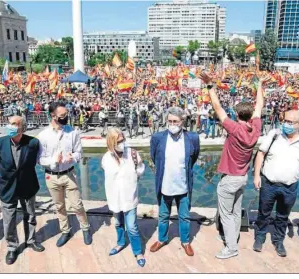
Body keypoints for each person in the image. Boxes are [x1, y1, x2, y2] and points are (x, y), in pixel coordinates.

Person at [203, 73, 265, 259]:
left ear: (237, 114)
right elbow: (260, 106)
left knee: (226, 214)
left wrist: (209, 86)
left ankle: (231, 248)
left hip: (230, 179)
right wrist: (260, 85)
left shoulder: (234, 128)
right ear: (250, 115)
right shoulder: (255, 128)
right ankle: (233, 238)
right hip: (242, 177)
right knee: (236, 211)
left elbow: (217, 107)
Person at [253, 110, 299, 257]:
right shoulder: (274, 134)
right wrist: (256, 176)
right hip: (269, 183)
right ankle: (260, 236)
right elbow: (260, 154)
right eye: (284, 120)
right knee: (263, 212)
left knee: (283, 216)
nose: (285, 124)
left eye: (290, 122)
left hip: (290, 186)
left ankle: (278, 240)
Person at [0, 116, 45, 265]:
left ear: (22, 127)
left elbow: (33, 162)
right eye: (10, 123)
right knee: (9, 219)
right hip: (7, 186)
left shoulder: (33, 143)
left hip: (27, 185)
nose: (11, 126)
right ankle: (12, 247)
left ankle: (31, 240)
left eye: (15, 124)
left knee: (30, 215)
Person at [37, 102, 92, 247]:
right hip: (52, 175)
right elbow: (40, 159)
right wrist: (54, 160)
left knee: (77, 204)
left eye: (66, 115)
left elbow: (79, 153)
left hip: (69, 174)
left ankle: (85, 228)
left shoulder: (73, 132)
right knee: (59, 206)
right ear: (53, 116)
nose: (66, 117)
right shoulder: (43, 136)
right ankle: (65, 230)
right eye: (62, 116)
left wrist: (72, 157)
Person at [149, 107, 200, 257]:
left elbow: (194, 157)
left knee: (184, 216)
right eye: (170, 121)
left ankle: (185, 241)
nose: (172, 124)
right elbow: (154, 157)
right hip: (165, 185)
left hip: (183, 185)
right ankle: (162, 239)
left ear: (182, 122)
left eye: (175, 121)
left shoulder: (192, 138)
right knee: (163, 215)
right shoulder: (158, 138)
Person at [101, 128, 146, 267]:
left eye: (123, 140)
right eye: (119, 141)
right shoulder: (106, 158)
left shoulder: (132, 153)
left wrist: (139, 166)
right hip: (114, 197)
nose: (122, 143)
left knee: (131, 226)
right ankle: (120, 243)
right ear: (111, 142)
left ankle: (138, 252)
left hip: (129, 196)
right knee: (118, 223)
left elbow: (140, 170)